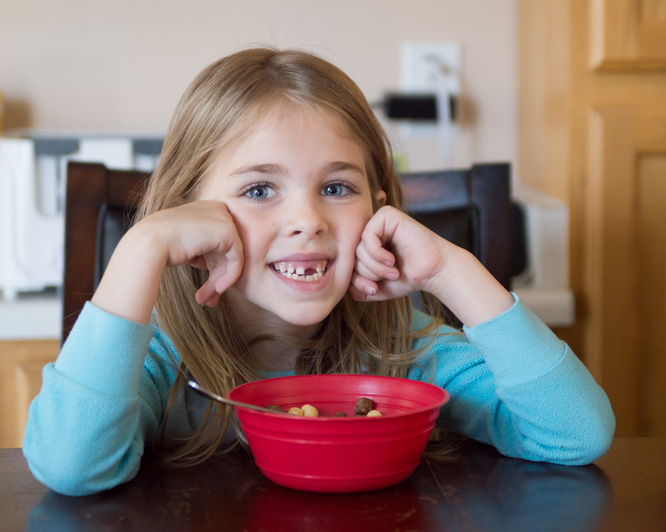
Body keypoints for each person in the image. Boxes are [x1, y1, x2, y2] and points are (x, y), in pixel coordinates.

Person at [23, 47, 615, 496]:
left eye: (335, 187)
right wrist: (140, 248)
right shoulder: (158, 354)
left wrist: (453, 272)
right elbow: (71, 467)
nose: (306, 219)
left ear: (378, 209)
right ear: (192, 215)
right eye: (259, 189)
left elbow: (573, 435)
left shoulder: (402, 346)